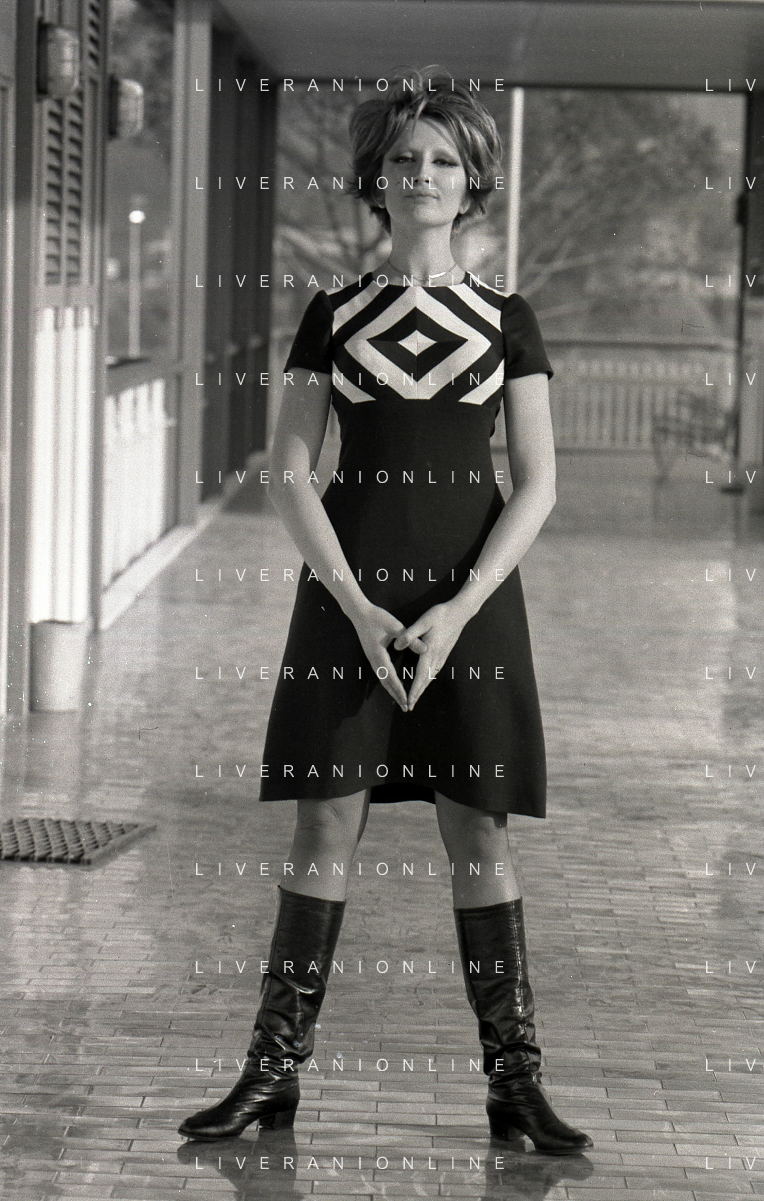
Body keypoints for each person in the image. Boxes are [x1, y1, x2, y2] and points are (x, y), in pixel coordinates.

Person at [179, 72, 593, 1155]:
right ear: (375, 179)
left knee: (479, 829)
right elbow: (287, 471)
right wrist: (357, 606)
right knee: (323, 819)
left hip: (472, 604)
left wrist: (457, 610)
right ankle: (270, 1076)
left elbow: (539, 484)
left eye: (444, 160)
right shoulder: (333, 314)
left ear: (471, 182)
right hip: (346, 598)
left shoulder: (506, 318)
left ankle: (515, 1088)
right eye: (404, 158)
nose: (422, 175)